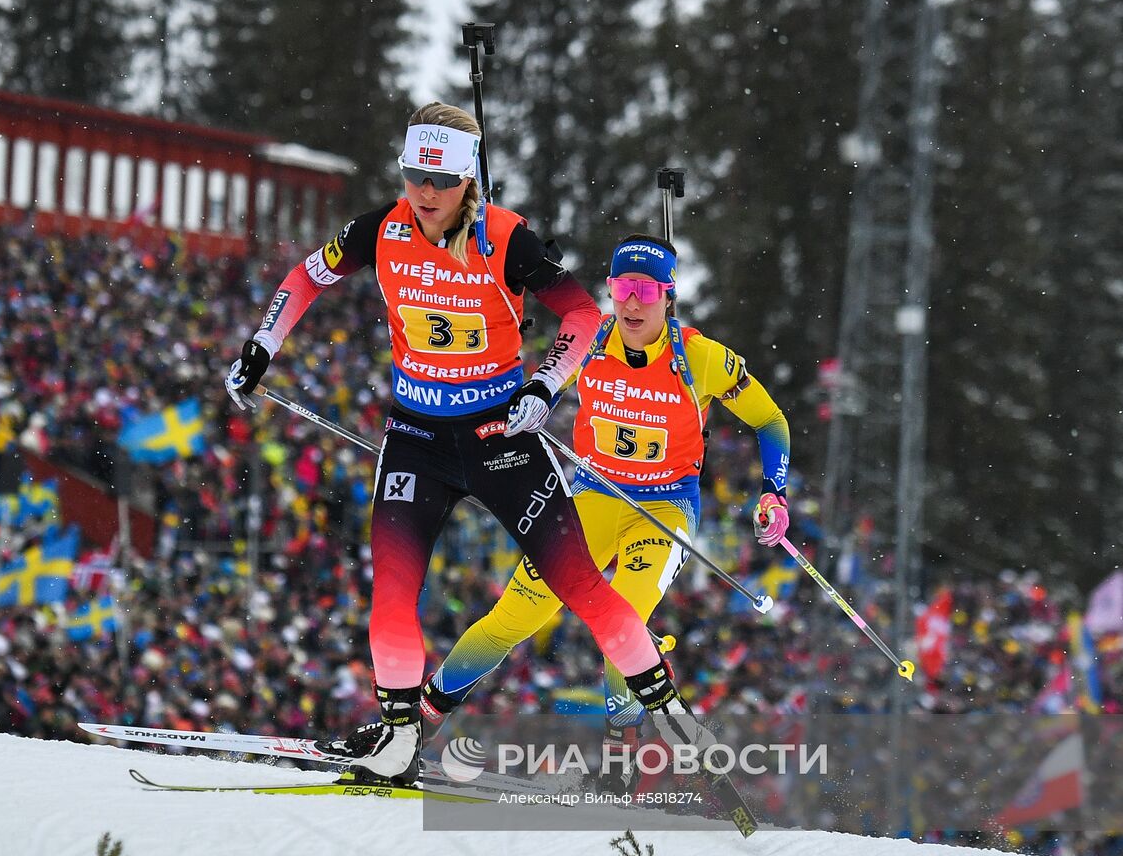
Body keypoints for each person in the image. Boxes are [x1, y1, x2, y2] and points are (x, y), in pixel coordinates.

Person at [225, 103, 705, 785]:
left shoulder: (507, 239)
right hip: (416, 438)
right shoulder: (379, 230)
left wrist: (545, 384)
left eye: (442, 179)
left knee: (581, 586)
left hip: (499, 437)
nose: (425, 193)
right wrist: (261, 345)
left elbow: (579, 311)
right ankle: (397, 736)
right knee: (391, 592)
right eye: (415, 175)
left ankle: (665, 709)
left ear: (468, 181)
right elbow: (306, 276)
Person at [418, 233, 791, 785]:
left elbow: (771, 421)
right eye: (621, 289)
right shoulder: (588, 343)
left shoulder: (702, 359)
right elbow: (516, 383)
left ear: (668, 295)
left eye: (645, 290)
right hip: (592, 499)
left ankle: (620, 763)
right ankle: (412, 723)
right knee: (510, 620)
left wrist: (773, 491)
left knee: (623, 625)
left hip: (663, 512)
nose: (632, 303)